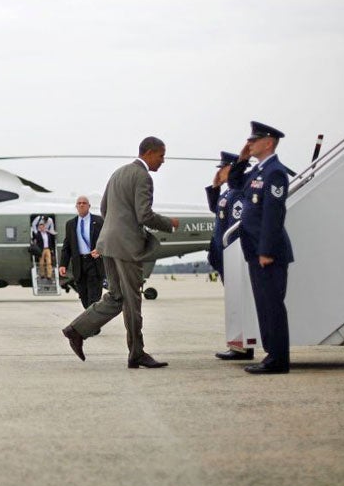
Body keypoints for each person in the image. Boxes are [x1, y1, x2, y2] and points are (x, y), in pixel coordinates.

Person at [61, 137, 179, 368]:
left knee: (116, 297)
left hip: (109, 244)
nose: (163, 161)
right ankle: (137, 353)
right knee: (132, 301)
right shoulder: (142, 176)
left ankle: (76, 330)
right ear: (150, 152)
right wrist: (170, 224)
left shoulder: (118, 173)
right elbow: (145, 215)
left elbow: (104, 208)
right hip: (127, 247)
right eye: (161, 155)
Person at [227, 122, 294, 375]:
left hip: (269, 253)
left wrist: (266, 250)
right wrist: (241, 160)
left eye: (254, 141)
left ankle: (278, 360)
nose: (249, 143)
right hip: (255, 250)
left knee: (273, 306)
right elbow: (234, 184)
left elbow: (273, 214)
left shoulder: (275, 173)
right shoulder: (258, 172)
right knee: (264, 306)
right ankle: (271, 356)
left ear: (268, 142)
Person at [207, 151, 254, 361]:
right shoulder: (228, 193)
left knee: (239, 302)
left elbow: (235, 228)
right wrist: (215, 187)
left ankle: (243, 347)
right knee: (233, 302)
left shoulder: (238, 193)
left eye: (223, 167)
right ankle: (238, 346)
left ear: (233, 168)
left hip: (233, 256)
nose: (219, 171)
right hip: (223, 255)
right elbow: (217, 210)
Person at [58, 196, 105, 309]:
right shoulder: (71, 224)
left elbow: (107, 239)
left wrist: (100, 250)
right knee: (84, 297)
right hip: (79, 263)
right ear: (76, 206)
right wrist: (63, 264)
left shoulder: (99, 221)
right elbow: (67, 246)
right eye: (79, 203)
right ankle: (91, 322)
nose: (81, 205)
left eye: (84, 203)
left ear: (89, 206)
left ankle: (93, 325)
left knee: (94, 297)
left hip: (94, 262)